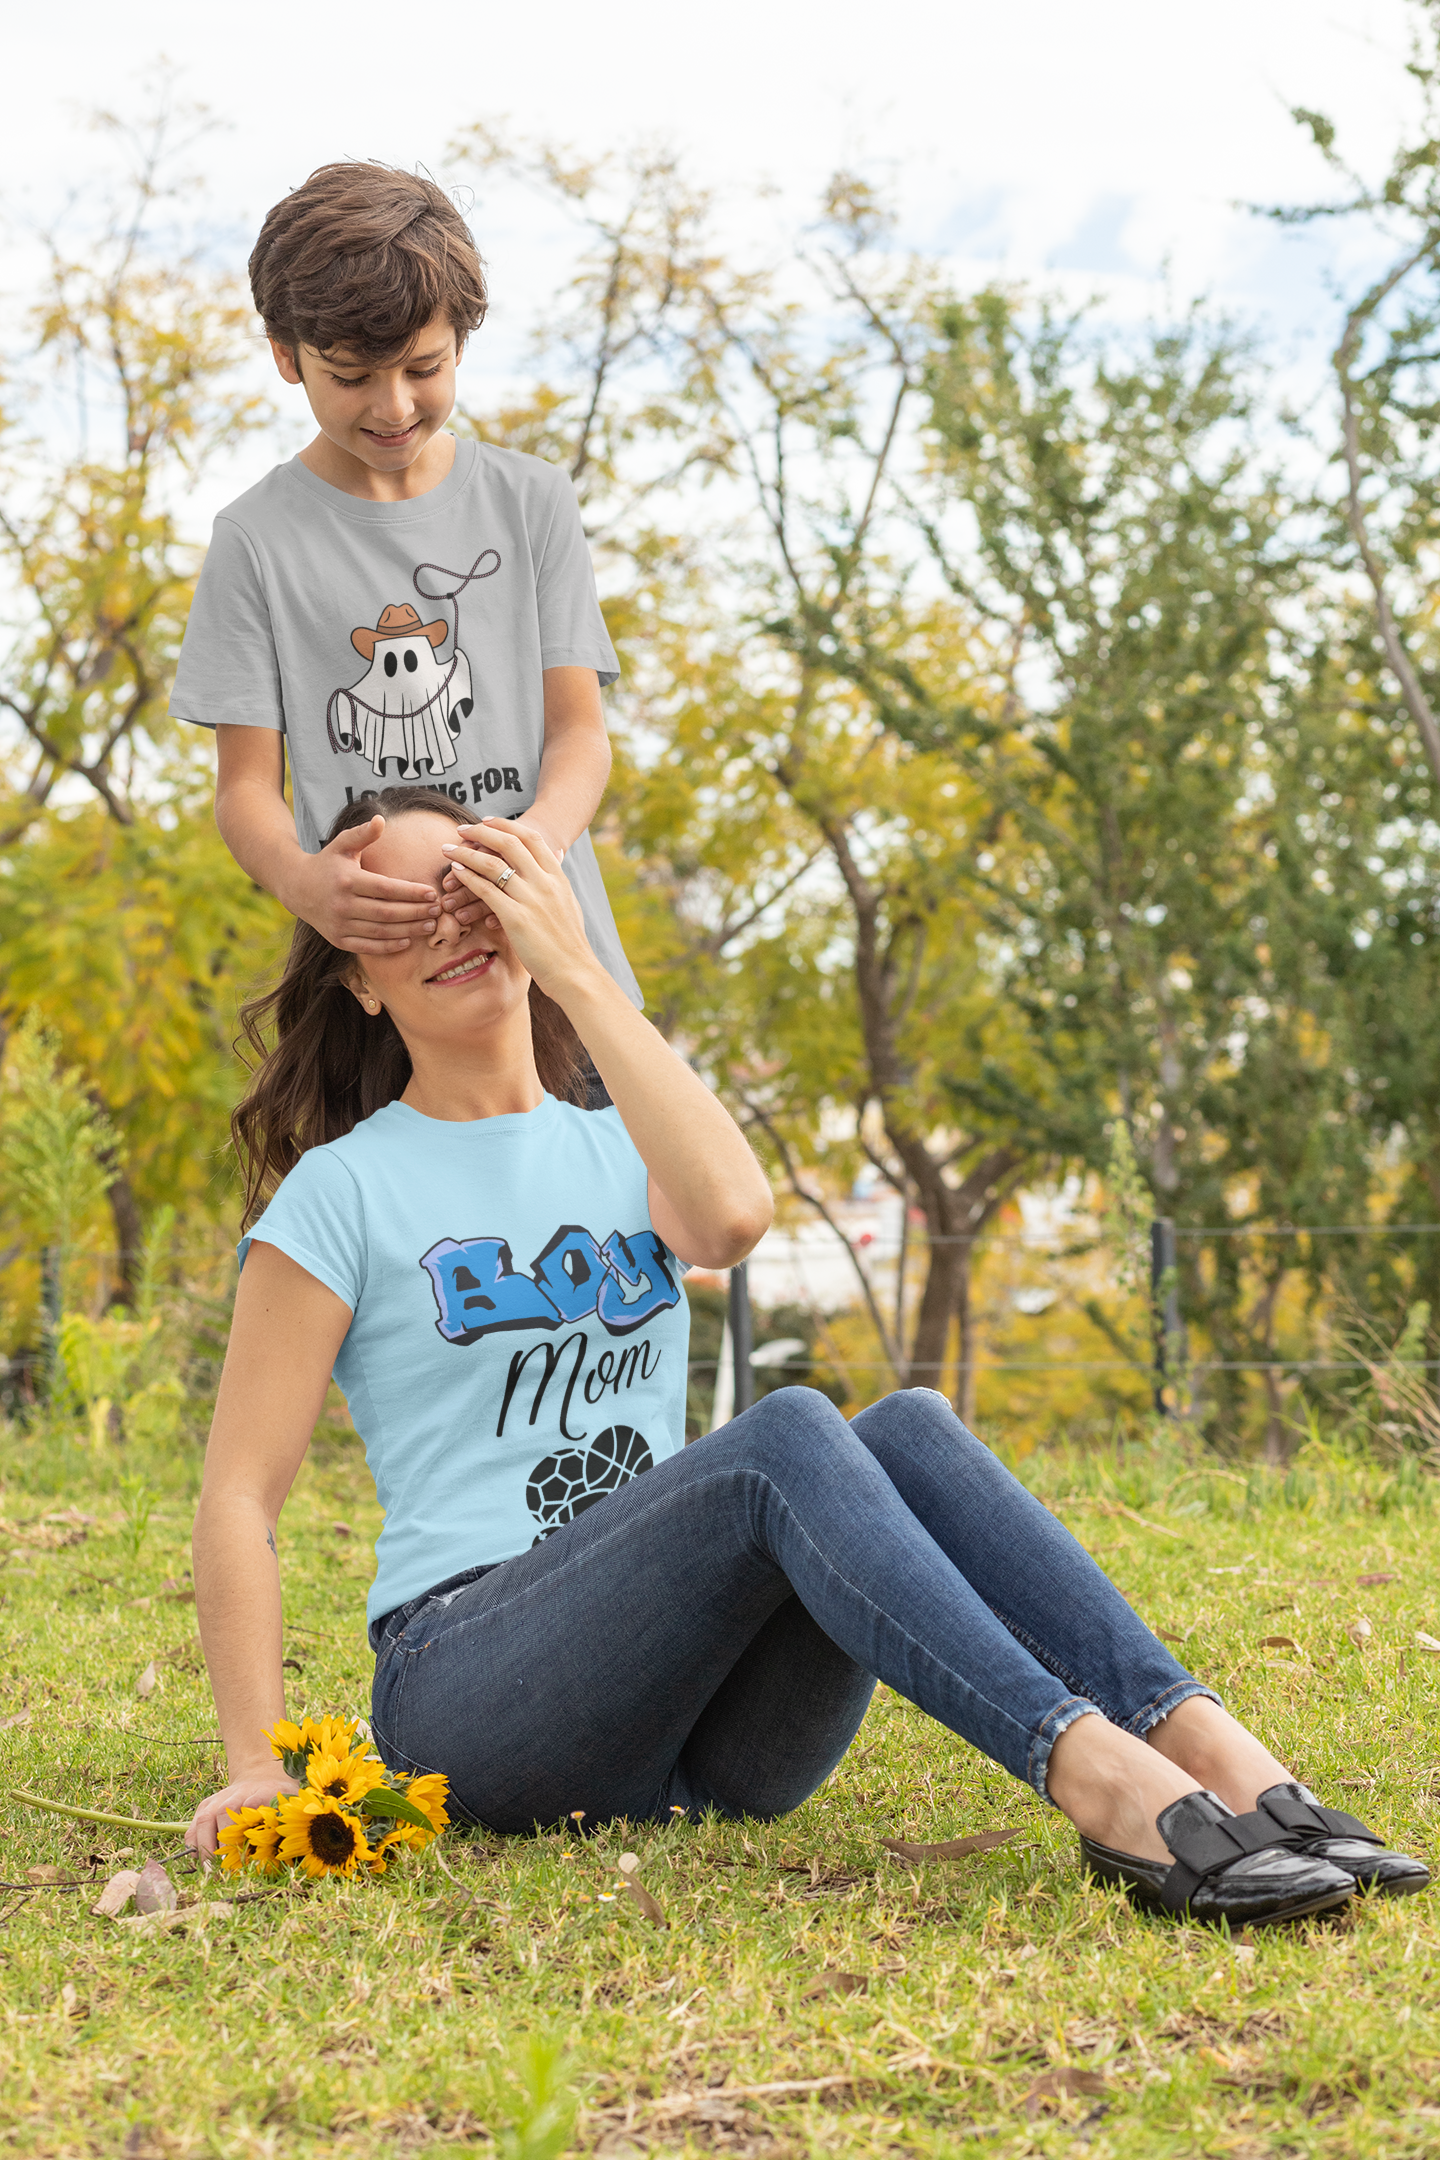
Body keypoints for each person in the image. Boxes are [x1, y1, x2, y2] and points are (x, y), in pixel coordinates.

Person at [186, 788, 1430, 1926]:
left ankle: (1219, 1754)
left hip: (719, 1745)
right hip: (474, 1692)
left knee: (903, 1425)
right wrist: (257, 1769)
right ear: (354, 972)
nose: (455, 925)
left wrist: (572, 958)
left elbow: (730, 1216)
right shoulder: (340, 1194)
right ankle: (1107, 1786)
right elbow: (241, 1495)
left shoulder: (622, 1139)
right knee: (782, 1435)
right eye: (404, 911)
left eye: (477, 885)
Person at [169, 162, 639, 1005]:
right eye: (351, 377)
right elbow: (245, 788)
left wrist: (531, 847)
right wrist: (305, 883)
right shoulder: (255, 542)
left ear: (461, 340)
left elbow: (580, 737)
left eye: (423, 367)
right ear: (286, 356)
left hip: (558, 980)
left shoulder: (532, 502)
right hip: (390, 1001)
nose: (392, 407)